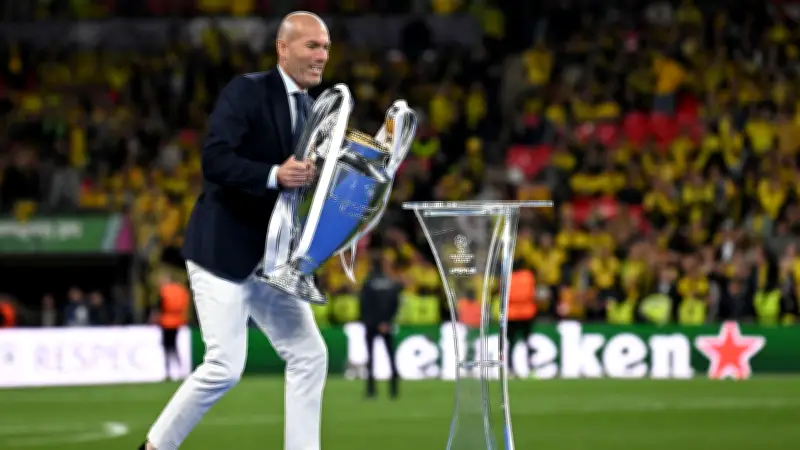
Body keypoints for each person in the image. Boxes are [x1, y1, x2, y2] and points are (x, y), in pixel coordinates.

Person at [139, 11, 330, 450]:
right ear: (283, 48)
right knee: (224, 366)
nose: (321, 56)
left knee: (310, 354)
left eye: (325, 47)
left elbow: (297, 187)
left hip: (270, 260)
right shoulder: (247, 91)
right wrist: (274, 174)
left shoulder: (313, 109)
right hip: (222, 252)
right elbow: (215, 160)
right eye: (312, 46)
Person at [359, 251, 402, 399]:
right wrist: (386, 322)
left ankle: (371, 390)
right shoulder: (391, 283)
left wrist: (375, 322)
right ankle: (394, 389)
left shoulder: (368, 283)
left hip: (371, 325)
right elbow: (395, 304)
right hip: (386, 325)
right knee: (390, 355)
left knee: (371, 357)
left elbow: (365, 305)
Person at [152, 272, 190, 381]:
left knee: (167, 347)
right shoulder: (181, 290)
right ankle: (181, 370)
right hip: (178, 321)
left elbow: (160, 305)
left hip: (166, 321)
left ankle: (168, 372)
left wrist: (155, 316)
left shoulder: (164, 290)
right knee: (174, 346)